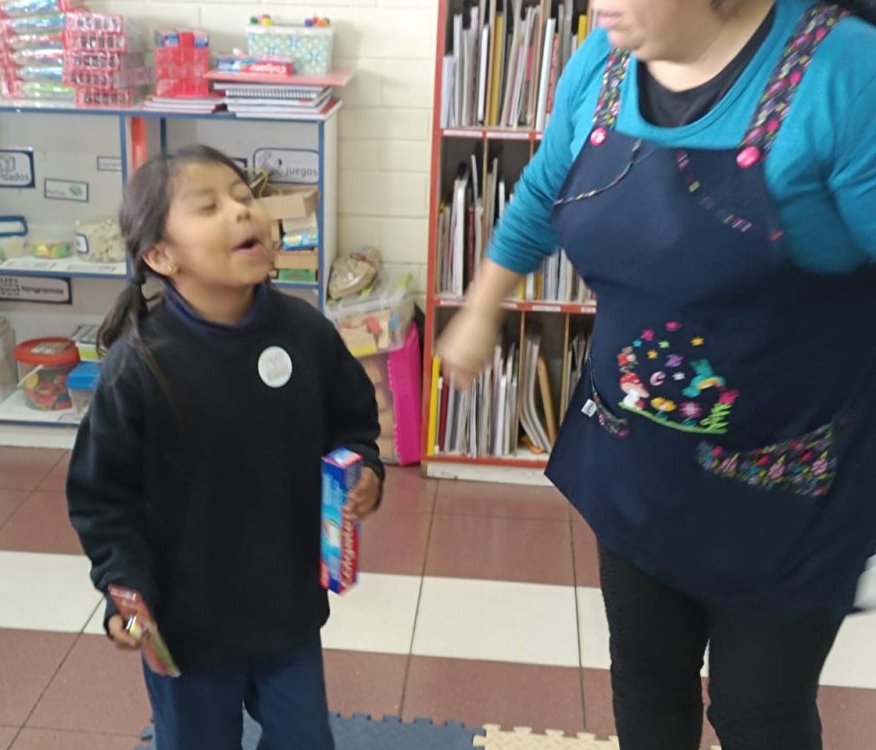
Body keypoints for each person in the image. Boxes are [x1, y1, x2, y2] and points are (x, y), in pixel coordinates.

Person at [438, 1, 876, 748]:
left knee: (758, 712)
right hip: (635, 459)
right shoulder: (603, 63)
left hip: (786, 480)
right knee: (645, 676)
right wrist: (481, 306)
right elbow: (547, 190)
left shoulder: (845, 76)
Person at [66, 145, 384, 749]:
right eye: (209, 206)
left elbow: (351, 421)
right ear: (161, 255)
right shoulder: (140, 366)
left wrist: (364, 468)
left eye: (244, 197)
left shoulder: (305, 332)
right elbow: (102, 499)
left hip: (286, 609)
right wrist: (124, 595)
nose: (241, 212)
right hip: (186, 623)